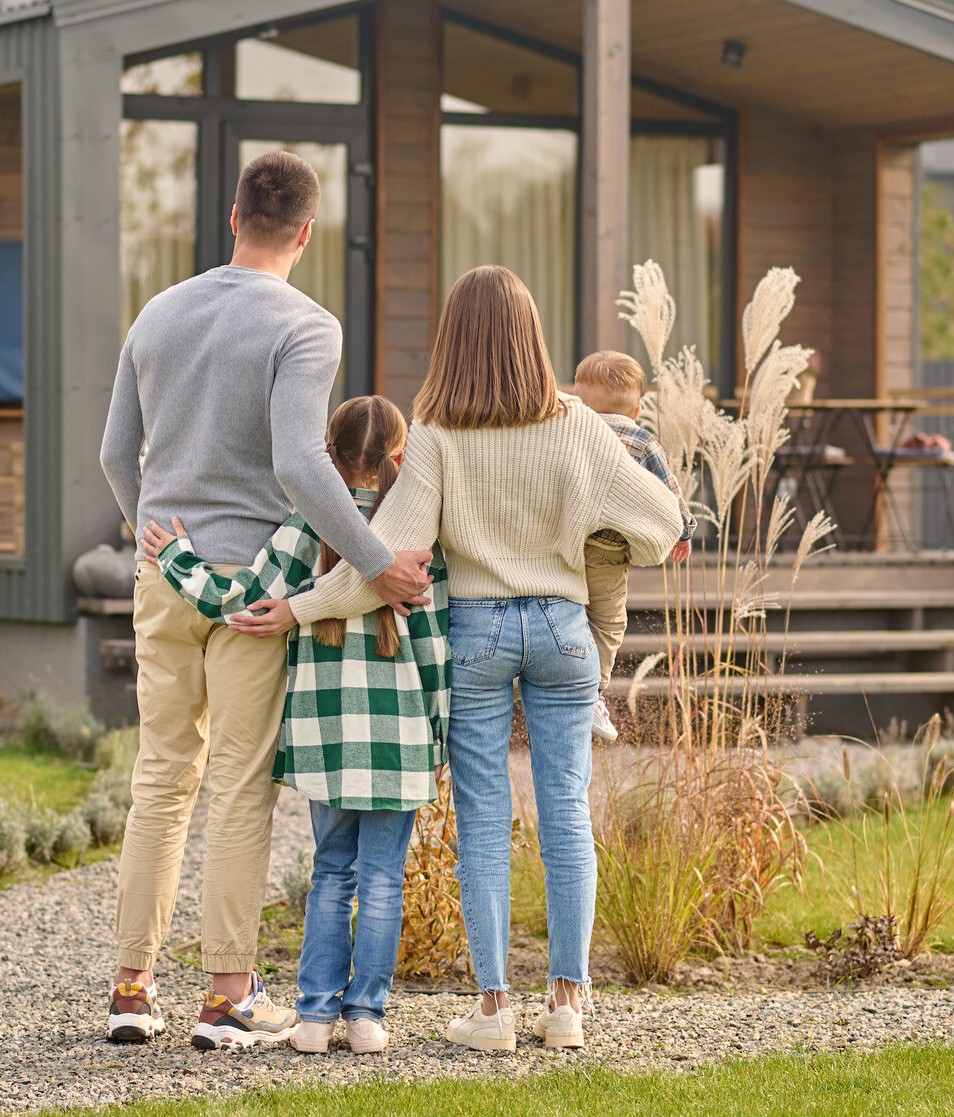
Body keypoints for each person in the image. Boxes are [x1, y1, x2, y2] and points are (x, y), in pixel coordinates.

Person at [232, 266, 683, 1053]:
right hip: (565, 627)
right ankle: (567, 1005)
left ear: (453, 341)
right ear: (532, 337)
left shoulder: (436, 434)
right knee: (568, 811)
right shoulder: (579, 423)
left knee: (482, 820)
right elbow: (664, 521)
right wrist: (598, 544)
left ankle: (495, 1010)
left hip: (475, 633)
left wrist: (299, 607)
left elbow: (385, 563)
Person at [97, 152, 432, 1049]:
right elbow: (297, 460)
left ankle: (132, 987)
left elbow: (112, 451)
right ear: (308, 233)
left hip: (165, 575)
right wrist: (377, 561)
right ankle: (226, 998)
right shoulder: (306, 325)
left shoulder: (158, 312)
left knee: (161, 778)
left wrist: (153, 543)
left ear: (234, 215)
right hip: (254, 589)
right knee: (240, 788)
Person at [139, 395, 449, 1056]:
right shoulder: (417, 534)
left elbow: (243, 598)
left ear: (325, 459)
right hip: (397, 744)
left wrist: (177, 557)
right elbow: (434, 646)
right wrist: (438, 732)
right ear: (402, 458)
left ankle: (312, 1016)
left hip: (324, 739)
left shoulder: (306, 527)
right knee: (385, 879)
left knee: (331, 870)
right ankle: (365, 1017)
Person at [570, 351, 696, 742]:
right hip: (608, 552)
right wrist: (685, 530)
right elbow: (669, 491)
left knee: (569, 615)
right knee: (608, 622)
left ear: (579, 399)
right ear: (637, 410)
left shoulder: (569, 429)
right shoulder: (642, 440)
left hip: (564, 543)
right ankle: (591, 693)